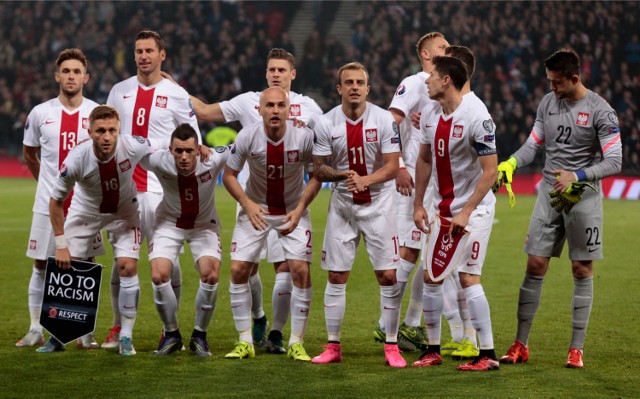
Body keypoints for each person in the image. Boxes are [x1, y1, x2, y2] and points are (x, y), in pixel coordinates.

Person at [188, 48, 322, 353]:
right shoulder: (247, 104)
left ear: (293, 74)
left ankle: (278, 334)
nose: (276, 73)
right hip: (251, 200)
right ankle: (256, 322)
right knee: (245, 270)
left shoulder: (309, 108)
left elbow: (328, 135)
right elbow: (206, 112)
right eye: (271, 69)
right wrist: (174, 90)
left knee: (287, 270)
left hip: (289, 203)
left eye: (282, 69)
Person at [497, 48, 622, 369]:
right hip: (549, 196)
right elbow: (533, 144)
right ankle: (520, 344)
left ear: (575, 78)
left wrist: (577, 176)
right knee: (535, 264)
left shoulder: (601, 111)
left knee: (581, 269)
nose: (552, 88)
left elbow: (615, 161)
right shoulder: (547, 104)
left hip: (584, 197)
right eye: (549, 82)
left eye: (557, 83)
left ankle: (576, 348)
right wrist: (511, 161)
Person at [105, 30, 200, 348]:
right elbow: (108, 137)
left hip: (163, 192)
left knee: (167, 262)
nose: (143, 56)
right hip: (125, 191)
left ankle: (169, 330)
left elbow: (192, 141)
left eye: (149, 50)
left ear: (162, 55)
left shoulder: (176, 94)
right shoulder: (119, 91)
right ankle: (118, 327)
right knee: (122, 261)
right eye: (138, 51)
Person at [311, 62, 405, 368]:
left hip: (379, 206)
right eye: (348, 82)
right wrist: (340, 175)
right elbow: (319, 167)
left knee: (388, 276)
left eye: (359, 82)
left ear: (368, 88)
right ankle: (333, 346)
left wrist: (367, 180)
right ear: (339, 89)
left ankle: (392, 346)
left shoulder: (384, 120)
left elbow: (392, 166)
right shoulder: (326, 123)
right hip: (342, 206)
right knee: (337, 276)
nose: (354, 86)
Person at [412, 55, 500, 371]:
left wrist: (467, 211)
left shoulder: (477, 116)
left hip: (473, 211)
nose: (426, 80)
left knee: (467, 277)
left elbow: (490, 172)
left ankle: (487, 355)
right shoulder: (429, 115)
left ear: (446, 79)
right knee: (430, 277)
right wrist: (419, 203)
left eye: (432, 75)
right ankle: (433, 349)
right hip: (442, 209)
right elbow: (423, 160)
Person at [222, 87, 320, 361]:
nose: (275, 110)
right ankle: (245, 342)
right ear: (260, 109)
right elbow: (229, 174)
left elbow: (316, 176)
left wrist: (301, 208)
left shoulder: (303, 137)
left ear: (289, 110)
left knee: (300, 271)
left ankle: (296, 342)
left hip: (292, 211)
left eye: (280, 105)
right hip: (256, 209)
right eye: (270, 106)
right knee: (239, 269)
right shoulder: (247, 136)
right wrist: (246, 203)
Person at [373, 31, 456, 353]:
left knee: (426, 253)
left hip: (438, 184)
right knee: (408, 251)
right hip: (413, 181)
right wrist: (400, 166)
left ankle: (409, 323)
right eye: (442, 47)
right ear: (425, 54)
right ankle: (387, 325)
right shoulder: (414, 82)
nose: (447, 50)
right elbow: (390, 122)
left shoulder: (445, 85)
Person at [48, 105, 153, 355]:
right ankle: (61, 333)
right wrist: (61, 245)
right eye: (100, 131)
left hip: (124, 212)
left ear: (119, 129)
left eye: (112, 130)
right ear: (89, 130)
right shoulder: (76, 158)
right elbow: (55, 201)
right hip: (87, 211)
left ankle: (125, 336)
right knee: (66, 264)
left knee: (127, 265)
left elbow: (161, 153)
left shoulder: (133, 145)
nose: (107, 137)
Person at [19, 48, 102, 351]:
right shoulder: (40, 113)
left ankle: (84, 333)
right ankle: (34, 329)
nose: (71, 76)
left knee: (86, 264)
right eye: (66, 71)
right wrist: (48, 184)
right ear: (57, 76)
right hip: (47, 203)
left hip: (85, 203)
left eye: (76, 71)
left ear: (86, 77)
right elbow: (30, 154)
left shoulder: (96, 113)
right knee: (41, 263)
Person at [139, 124, 227, 357]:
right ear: (170, 150)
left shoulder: (213, 159)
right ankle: (171, 334)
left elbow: (245, 146)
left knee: (211, 274)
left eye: (189, 150)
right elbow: (130, 151)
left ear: (198, 149)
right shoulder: (159, 161)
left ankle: (200, 335)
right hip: (168, 223)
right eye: (179, 151)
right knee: (159, 275)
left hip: (203, 225)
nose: (184, 156)